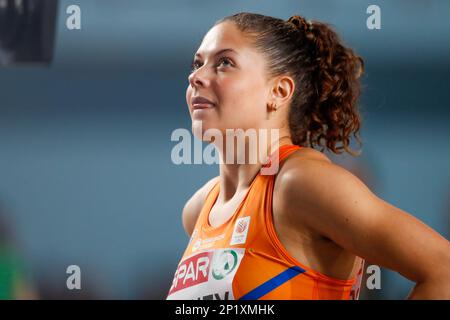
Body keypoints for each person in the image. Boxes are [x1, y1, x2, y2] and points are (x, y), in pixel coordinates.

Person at [166, 12, 450, 300]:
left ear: (278, 91)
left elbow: (443, 271)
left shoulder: (300, 184)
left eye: (225, 63)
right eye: (198, 64)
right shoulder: (199, 208)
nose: (196, 76)